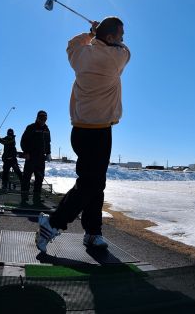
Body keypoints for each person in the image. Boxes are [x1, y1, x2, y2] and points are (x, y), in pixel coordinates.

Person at [36, 16, 130, 253]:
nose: (123, 39)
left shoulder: (81, 55)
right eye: (120, 35)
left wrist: (91, 33)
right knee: (90, 184)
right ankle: (53, 223)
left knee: (96, 184)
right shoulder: (115, 57)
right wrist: (98, 34)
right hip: (99, 133)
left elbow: (71, 44)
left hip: (79, 131)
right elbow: (127, 50)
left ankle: (93, 232)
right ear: (111, 39)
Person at [20, 111, 51, 205]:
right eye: (41, 118)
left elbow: (48, 142)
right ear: (37, 118)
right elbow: (23, 141)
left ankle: (36, 198)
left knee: (39, 178)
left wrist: (48, 153)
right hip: (31, 158)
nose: (43, 120)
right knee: (26, 178)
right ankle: (24, 198)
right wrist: (26, 152)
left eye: (45, 119)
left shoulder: (46, 129)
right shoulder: (31, 127)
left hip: (41, 159)